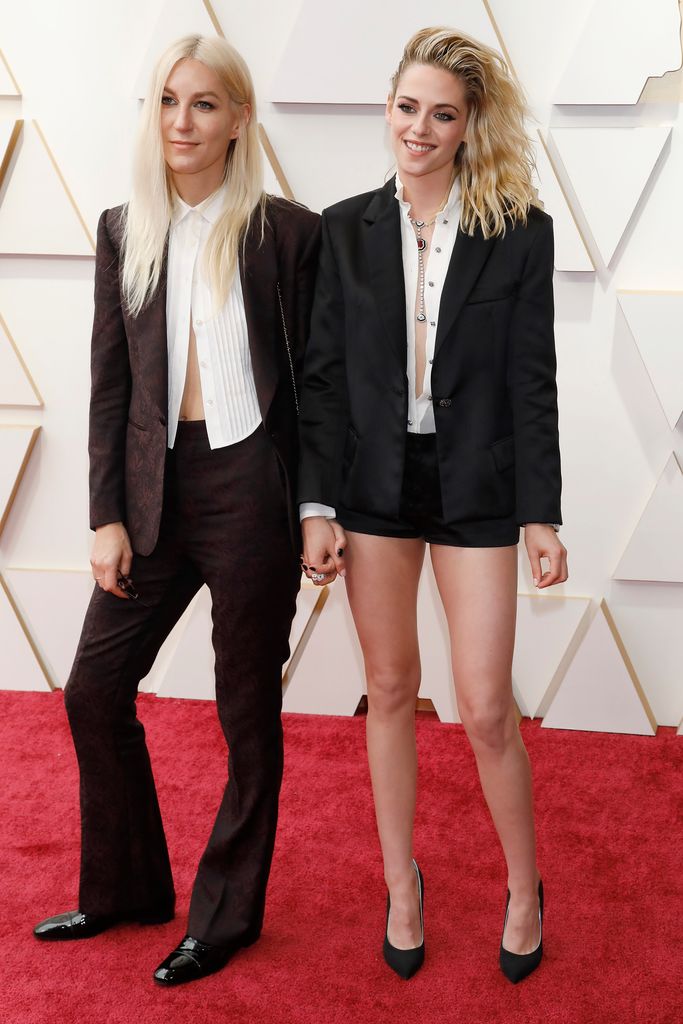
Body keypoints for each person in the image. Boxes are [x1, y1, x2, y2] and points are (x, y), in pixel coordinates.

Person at [32, 35, 320, 987]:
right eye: (167, 102)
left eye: (203, 104)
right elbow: (108, 388)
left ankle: (225, 916)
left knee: (247, 712)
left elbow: (317, 390)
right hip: (154, 496)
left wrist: (316, 505)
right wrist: (103, 515)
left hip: (250, 489)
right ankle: (126, 888)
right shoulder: (126, 229)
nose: (181, 122)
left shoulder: (287, 233)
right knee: (93, 690)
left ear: (239, 118)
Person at [298, 26, 567, 983]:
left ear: (466, 126)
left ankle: (525, 887)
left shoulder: (519, 231)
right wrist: (315, 504)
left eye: (440, 114)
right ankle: (400, 885)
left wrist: (542, 511)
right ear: (388, 108)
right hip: (372, 487)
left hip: (479, 488)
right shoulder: (343, 229)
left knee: (485, 704)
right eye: (406, 107)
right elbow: (322, 381)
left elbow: (530, 379)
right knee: (390, 689)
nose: (418, 127)